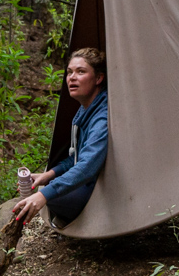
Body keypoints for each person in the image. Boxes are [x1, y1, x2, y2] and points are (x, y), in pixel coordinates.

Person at [13, 47, 108, 226]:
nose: (72, 77)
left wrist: (44, 195)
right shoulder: (86, 110)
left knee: (46, 194)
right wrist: (49, 174)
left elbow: (87, 166)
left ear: (98, 78)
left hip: (101, 195)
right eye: (69, 72)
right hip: (89, 185)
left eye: (81, 72)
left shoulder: (102, 117)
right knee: (43, 188)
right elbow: (77, 158)